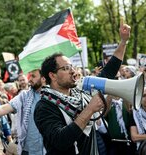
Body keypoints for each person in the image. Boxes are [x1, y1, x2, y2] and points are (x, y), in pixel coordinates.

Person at [34, 19, 131, 154]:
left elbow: (108, 72)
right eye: (66, 68)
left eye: (72, 67)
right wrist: (89, 110)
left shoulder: (80, 92)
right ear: (53, 75)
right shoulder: (44, 107)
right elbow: (60, 140)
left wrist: (123, 41)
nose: (73, 71)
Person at [0, 69, 46, 155]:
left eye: (33, 76)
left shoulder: (53, 96)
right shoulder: (24, 96)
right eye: (30, 75)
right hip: (28, 150)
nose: (30, 79)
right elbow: (3, 109)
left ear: (43, 78)